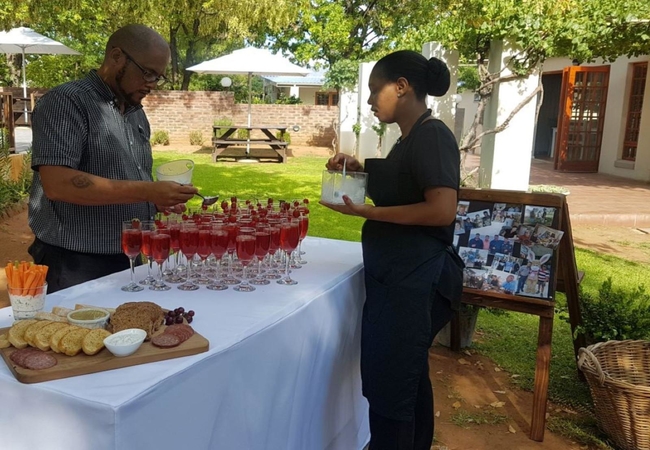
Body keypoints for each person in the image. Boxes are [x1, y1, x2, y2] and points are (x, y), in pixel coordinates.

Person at [321, 50, 463, 450]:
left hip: (419, 281)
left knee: (393, 387)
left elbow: (441, 209)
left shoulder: (433, 135)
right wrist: (360, 171)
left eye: (374, 90)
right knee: (406, 379)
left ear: (401, 87)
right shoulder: (409, 138)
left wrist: (370, 212)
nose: (369, 100)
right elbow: (406, 186)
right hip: (401, 279)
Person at [28, 24, 198, 293]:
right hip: (74, 264)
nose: (152, 85)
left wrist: (154, 200)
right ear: (116, 56)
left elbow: (125, 178)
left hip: (129, 255)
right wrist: (148, 191)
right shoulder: (66, 102)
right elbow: (58, 184)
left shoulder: (135, 111)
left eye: (159, 77)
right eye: (147, 73)